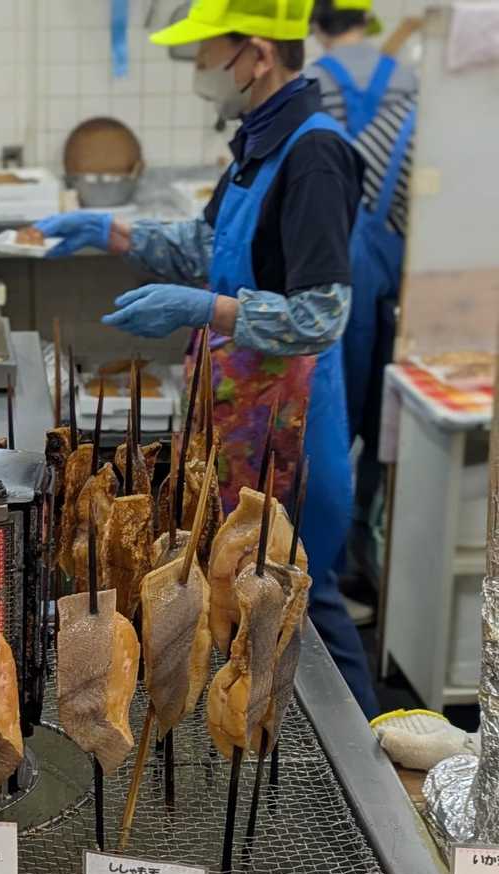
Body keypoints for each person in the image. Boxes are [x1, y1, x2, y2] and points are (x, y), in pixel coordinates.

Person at [35, 0, 379, 717]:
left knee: (298, 604)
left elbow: (321, 315)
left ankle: (370, 761)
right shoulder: (260, 142)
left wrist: (204, 309)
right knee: (240, 596)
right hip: (236, 416)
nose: (197, 70)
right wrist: (113, 231)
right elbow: (207, 245)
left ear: (257, 54)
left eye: (204, 55)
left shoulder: (315, 155)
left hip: (287, 425)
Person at [309, 0, 416, 586]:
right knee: (383, 420)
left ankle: (322, 564)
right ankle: (363, 559)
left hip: (332, 258)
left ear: (315, 26)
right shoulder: (411, 84)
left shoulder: (312, 83)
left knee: (332, 419)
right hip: (395, 265)